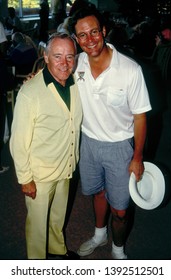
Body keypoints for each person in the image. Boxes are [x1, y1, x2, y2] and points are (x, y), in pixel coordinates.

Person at [69, 6, 152, 259]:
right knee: (98, 193)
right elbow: (54, 70)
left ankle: (118, 249)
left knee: (121, 210)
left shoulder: (129, 70)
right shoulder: (78, 62)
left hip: (120, 147)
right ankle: (99, 234)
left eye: (94, 32)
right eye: (82, 35)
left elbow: (140, 117)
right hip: (89, 143)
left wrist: (137, 157)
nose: (89, 40)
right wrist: (33, 78)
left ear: (104, 31)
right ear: (77, 39)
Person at [9, 33, 83, 259]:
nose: (64, 63)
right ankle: (37, 264)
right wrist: (25, 178)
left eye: (70, 57)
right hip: (39, 174)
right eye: (58, 56)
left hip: (65, 165)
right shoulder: (30, 92)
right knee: (38, 225)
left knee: (58, 217)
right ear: (46, 56)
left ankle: (57, 250)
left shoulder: (78, 84)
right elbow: (18, 141)